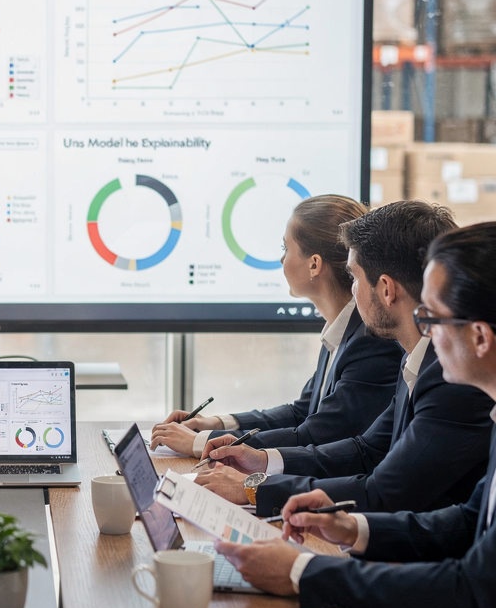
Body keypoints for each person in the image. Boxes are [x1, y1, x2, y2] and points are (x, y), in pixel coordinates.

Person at [215, 222, 496, 608]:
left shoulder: (455, 391)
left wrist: (301, 570)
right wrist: (353, 528)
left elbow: (472, 590)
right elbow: (467, 520)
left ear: (480, 337)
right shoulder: (431, 374)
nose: (427, 332)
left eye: (433, 317)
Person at [195, 201, 494, 515]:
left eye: (355, 278)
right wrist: (263, 461)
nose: (352, 293)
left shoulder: (449, 380)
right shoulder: (416, 360)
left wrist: (254, 488)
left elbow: (383, 493)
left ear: (387, 290)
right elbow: (367, 450)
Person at [151, 195, 403, 456]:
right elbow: (301, 412)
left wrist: (201, 442)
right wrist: (214, 423)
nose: (282, 261)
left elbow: (315, 434)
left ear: (314, 264)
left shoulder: (369, 343)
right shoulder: (343, 328)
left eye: (285, 248)